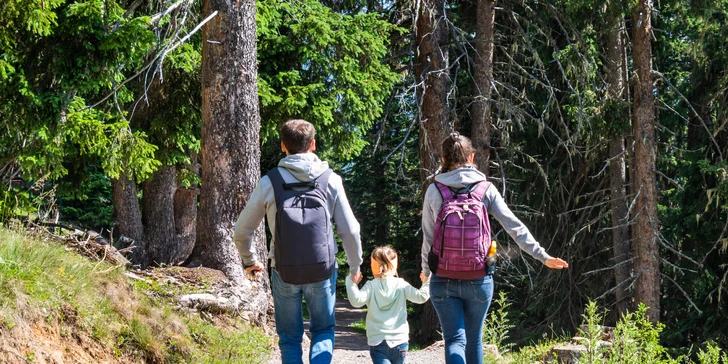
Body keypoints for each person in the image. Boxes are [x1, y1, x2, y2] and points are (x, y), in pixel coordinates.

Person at [421, 133, 569, 364]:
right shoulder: (485, 189)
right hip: (479, 278)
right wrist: (542, 256)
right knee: (474, 340)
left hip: (443, 277)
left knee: (454, 341)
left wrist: (426, 272)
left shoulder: (434, 190)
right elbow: (514, 227)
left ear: (443, 159)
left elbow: (429, 238)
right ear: (471, 157)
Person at [233, 119, 364, 364]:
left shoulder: (269, 182)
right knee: (323, 330)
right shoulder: (330, 180)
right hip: (322, 270)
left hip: (284, 270)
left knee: (290, 337)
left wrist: (250, 261)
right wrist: (355, 267)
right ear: (313, 144)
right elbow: (351, 231)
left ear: (283, 146)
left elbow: (242, 230)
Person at [346, 246, 430, 364]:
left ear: (373, 266)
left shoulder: (371, 285)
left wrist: (351, 282)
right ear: (394, 265)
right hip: (400, 340)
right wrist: (427, 281)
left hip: (377, 340)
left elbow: (356, 301)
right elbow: (421, 297)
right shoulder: (401, 284)